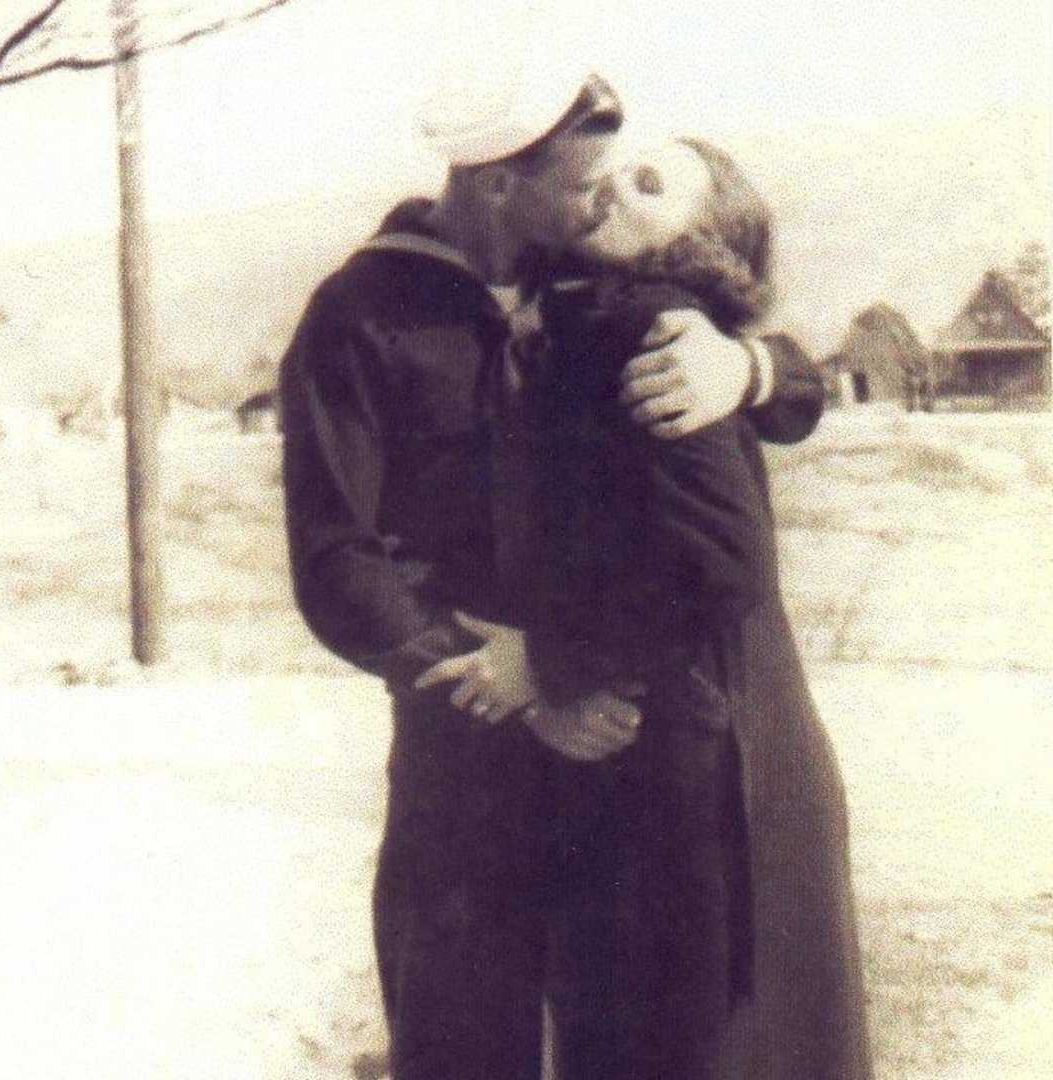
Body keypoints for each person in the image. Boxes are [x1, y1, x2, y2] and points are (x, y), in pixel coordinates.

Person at [279, 68, 836, 1080]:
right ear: (501, 184)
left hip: (621, 760)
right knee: (461, 1044)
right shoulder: (360, 313)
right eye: (582, 185)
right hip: (468, 757)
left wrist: (751, 368)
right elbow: (334, 558)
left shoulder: (592, 292)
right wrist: (518, 685)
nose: (599, 200)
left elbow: (754, 338)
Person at [448, 132, 871, 1078]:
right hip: (660, 745)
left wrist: (547, 660)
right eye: (619, 165)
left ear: (696, 243)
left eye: (650, 186)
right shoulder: (580, 321)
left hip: (698, 765)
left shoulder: (655, 330)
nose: (610, 186)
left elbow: (720, 565)